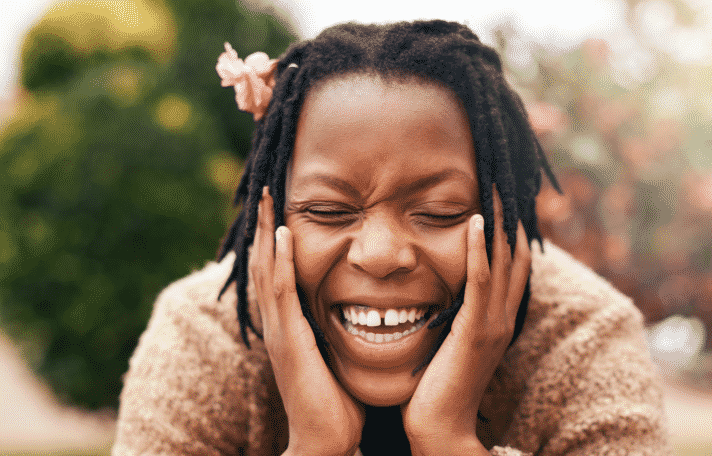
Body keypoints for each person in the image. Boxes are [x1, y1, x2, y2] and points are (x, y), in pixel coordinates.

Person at [112, 20, 671, 456]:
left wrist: (449, 442)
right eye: (329, 211)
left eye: (439, 210)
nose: (379, 256)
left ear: (507, 215)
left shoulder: (583, 339)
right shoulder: (205, 337)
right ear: (271, 216)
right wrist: (314, 450)